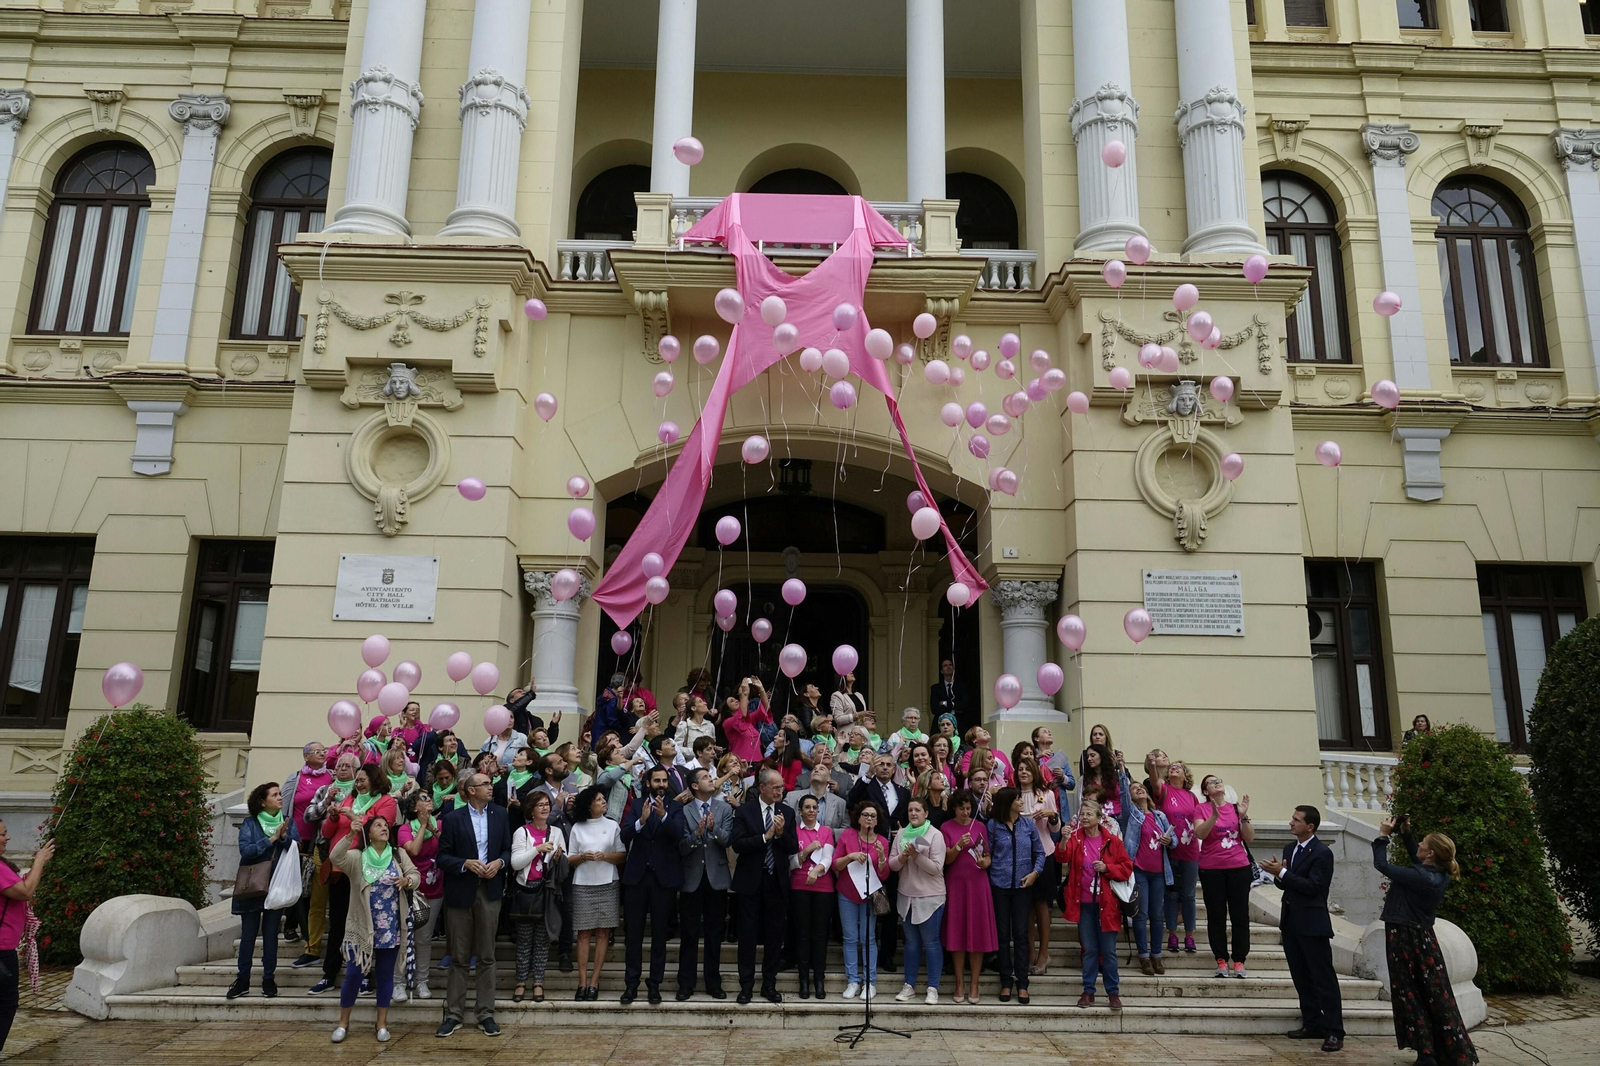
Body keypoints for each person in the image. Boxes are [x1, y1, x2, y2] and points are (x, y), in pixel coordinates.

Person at [1372, 817, 1476, 1066]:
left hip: (1404, 938)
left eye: (1423, 843)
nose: (1419, 843)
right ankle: (1447, 1051)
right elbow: (1418, 863)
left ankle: (1426, 1054)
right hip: (1423, 938)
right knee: (1434, 994)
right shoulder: (1437, 873)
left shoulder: (1420, 876)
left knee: (1410, 993)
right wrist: (1407, 834)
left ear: (1430, 853)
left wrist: (1383, 835)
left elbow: (1382, 865)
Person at [328, 811, 419, 1043]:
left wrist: (407, 881)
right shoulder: (358, 857)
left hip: (390, 927)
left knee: (386, 976)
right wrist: (350, 833)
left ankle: (381, 1024)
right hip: (361, 928)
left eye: (386, 825)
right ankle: (343, 1023)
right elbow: (335, 858)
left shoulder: (398, 854)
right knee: (353, 975)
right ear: (369, 832)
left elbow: (415, 875)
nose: (384, 828)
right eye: (378, 825)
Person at [433, 770, 512, 1037]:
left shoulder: (500, 814)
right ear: (470, 790)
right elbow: (442, 857)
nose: (491, 787)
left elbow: (507, 850)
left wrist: (499, 863)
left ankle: (485, 1013)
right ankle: (454, 1014)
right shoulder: (453, 818)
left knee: (487, 955)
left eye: (490, 783)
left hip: (489, 890)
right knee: (459, 956)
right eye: (485, 784)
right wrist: (464, 863)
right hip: (461, 891)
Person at [1262, 804, 1344, 1053]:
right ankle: (1312, 1023)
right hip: (1291, 922)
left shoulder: (1322, 853)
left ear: (1310, 826)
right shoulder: (1290, 848)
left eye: (1296, 820)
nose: (1291, 823)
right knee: (1301, 976)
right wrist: (1278, 876)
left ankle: (1334, 1031)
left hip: (1313, 923)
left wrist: (1283, 873)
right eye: (1292, 818)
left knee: (1323, 979)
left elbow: (1314, 887)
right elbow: (1287, 885)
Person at [310, 763, 397, 996]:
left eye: (362, 779)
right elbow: (328, 833)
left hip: (367, 869)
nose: (357, 783)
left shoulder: (386, 801)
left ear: (375, 780)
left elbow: (380, 829)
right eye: (356, 780)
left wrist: (353, 815)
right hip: (340, 867)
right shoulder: (348, 797)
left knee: (367, 923)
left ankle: (365, 974)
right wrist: (334, 817)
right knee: (338, 923)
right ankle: (329, 974)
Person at [619, 765, 687, 1005]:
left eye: (664, 781)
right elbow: (624, 835)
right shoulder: (638, 805)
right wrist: (641, 821)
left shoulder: (676, 806)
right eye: (656, 780)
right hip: (637, 877)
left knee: (659, 935)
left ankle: (654, 984)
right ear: (648, 783)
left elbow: (679, 834)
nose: (661, 784)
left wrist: (663, 817)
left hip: (663, 879)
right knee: (633, 935)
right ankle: (631, 983)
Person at [731, 768, 799, 1004]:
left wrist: (780, 835)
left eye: (782, 787)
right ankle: (746, 986)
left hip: (776, 882)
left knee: (773, 936)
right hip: (750, 881)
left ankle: (769, 984)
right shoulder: (745, 812)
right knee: (748, 936)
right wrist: (765, 837)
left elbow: (793, 847)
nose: (781, 791)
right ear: (762, 788)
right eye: (776, 787)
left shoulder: (787, 813)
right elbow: (737, 844)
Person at [1057, 799, 1133, 1010]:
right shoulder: (1076, 838)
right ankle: (1088, 990)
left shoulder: (1112, 841)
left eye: (1089, 814)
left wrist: (1107, 867)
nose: (1084, 817)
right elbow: (1061, 856)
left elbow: (1127, 868)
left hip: (1107, 905)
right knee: (1089, 949)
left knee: (1108, 951)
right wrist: (1063, 840)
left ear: (1100, 818)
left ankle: (1113, 992)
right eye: (1082, 814)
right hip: (1084, 904)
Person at [229, 782, 297, 1000]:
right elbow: (246, 851)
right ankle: (243, 979)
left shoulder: (288, 822)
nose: (280, 798)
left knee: (271, 935)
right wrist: (272, 839)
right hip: (252, 885)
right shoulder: (250, 823)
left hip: (276, 885)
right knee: (248, 936)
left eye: (280, 794)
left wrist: (285, 837)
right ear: (262, 801)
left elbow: (298, 846)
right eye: (274, 795)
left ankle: (269, 978)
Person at [677, 766, 733, 1001]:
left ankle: (713, 982)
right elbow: (679, 846)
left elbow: (728, 839)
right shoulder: (683, 811)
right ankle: (686, 983)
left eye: (711, 777)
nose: (712, 780)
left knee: (714, 933)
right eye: (705, 777)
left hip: (716, 879)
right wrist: (696, 835)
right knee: (689, 933)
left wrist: (713, 829)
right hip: (691, 878)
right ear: (694, 786)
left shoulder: (724, 808)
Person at [986, 786, 1045, 1004]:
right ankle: (1005, 981)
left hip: (1023, 886)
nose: (1021, 802)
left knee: (1021, 934)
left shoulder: (1028, 824)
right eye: (1018, 799)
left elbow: (1039, 852)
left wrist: (1035, 873)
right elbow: (987, 853)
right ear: (1007, 802)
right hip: (999, 886)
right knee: (1002, 935)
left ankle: (1022, 983)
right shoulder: (992, 826)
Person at [1194, 772, 1255, 978]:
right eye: (1211, 782)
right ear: (1205, 791)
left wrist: (1244, 815)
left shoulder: (1236, 809)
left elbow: (1249, 837)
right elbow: (1200, 834)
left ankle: (1239, 960)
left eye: (1219, 781)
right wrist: (1213, 816)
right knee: (1216, 915)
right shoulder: (1201, 809)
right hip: (1212, 869)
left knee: (1240, 915)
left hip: (1238, 866)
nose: (1217, 783)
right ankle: (1221, 959)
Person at [566, 784, 625, 1000]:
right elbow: (570, 858)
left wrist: (604, 856)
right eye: (599, 799)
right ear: (589, 805)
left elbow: (622, 855)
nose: (603, 802)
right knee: (583, 933)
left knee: (602, 933)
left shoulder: (612, 825)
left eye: (603, 799)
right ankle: (581, 981)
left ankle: (594, 981)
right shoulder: (577, 827)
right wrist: (583, 857)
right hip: (583, 883)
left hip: (608, 881)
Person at [508, 790, 566, 1004]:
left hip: (547, 890)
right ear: (531, 810)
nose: (545, 808)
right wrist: (537, 849)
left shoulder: (556, 832)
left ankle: (538, 982)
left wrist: (560, 858)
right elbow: (515, 863)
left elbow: (563, 861)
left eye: (547, 804)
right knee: (524, 940)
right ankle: (520, 982)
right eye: (540, 805)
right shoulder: (522, 832)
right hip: (526, 890)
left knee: (542, 940)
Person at [889, 796, 947, 1004]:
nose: (913, 814)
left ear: (926, 813)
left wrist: (916, 856)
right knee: (912, 943)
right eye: (910, 810)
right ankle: (909, 985)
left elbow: (936, 868)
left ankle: (933, 987)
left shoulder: (935, 835)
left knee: (931, 943)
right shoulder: (902, 834)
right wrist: (904, 857)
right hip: (907, 895)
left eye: (917, 810)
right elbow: (892, 865)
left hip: (930, 896)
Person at [940, 789, 995, 1004]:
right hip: (956, 884)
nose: (966, 812)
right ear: (954, 807)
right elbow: (947, 859)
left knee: (977, 934)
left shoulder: (979, 826)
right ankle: (959, 983)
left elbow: (987, 855)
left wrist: (985, 863)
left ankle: (974, 983)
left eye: (969, 808)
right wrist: (957, 846)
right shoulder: (946, 827)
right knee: (957, 933)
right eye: (962, 808)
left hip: (978, 883)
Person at [0, 822, 51, 1054]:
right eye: (2, 834)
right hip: (1, 952)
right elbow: (25, 891)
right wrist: (39, 861)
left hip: (5, 948)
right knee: (5, 1004)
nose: (7, 837)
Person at [1118, 770, 1174, 975]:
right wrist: (1122, 771)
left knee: (1157, 916)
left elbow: (1173, 840)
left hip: (1159, 872)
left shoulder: (1160, 816)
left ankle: (1157, 955)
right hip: (1140, 871)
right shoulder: (1132, 815)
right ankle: (1143, 956)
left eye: (1141, 787)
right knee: (1141, 915)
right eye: (1134, 789)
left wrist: (1170, 841)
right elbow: (1123, 794)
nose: (1139, 789)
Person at [833, 799, 890, 1001]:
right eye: (865, 815)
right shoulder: (848, 835)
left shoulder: (882, 841)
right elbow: (836, 865)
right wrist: (851, 856)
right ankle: (853, 980)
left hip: (869, 895)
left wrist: (882, 858)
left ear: (877, 821)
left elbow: (884, 875)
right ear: (858, 818)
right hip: (847, 893)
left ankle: (870, 982)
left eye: (872, 816)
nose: (869, 819)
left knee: (868, 938)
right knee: (850, 937)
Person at [283, 741, 331, 964]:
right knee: (297, 883)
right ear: (306, 756)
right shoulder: (296, 777)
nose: (323, 754)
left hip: (319, 840)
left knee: (311, 886)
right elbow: (285, 806)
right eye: (317, 751)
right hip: (297, 837)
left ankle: (307, 932)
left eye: (324, 751)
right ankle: (293, 925)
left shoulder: (331, 778)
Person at [1147, 751, 1200, 955]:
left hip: (1190, 851)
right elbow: (1153, 780)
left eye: (1179, 767)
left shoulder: (1192, 796)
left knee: (1188, 895)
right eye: (1171, 767)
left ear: (1186, 775)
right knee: (1171, 895)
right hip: (1169, 851)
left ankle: (1189, 935)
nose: (1174, 768)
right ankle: (1172, 935)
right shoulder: (1164, 790)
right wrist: (1153, 765)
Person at [1015, 758, 1061, 977]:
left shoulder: (1046, 794)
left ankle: (1044, 953)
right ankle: (1030, 953)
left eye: (1027, 769)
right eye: (1020, 769)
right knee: (1026, 907)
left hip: (1044, 852)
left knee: (1042, 905)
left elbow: (1055, 828)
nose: (1023, 772)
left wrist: (1051, 815)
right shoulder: (1012, 795)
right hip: (1020, 857)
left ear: (1034, 772)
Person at [789, 793, 836, 999]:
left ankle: (819, 979)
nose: (811, 810)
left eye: (814, 807)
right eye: (807, 807)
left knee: (819, 935)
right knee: (802, 934)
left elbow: (828, 858)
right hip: (799, 886)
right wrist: (806, 851)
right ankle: (803, 980)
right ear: (800, 811)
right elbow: (790, 862)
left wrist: (816, 872)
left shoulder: (825, 832)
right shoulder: (793, 832)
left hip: (822, 887)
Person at [396, 790, 442, 999]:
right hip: (411, 891)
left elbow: (448, 847)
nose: (429, 799)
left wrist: (432, 827)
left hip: (436, 890)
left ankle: (422, 982)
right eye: (423, 798)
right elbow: (413, 850)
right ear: (414, 807)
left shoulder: (440, 825)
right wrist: (423, 826)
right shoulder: (405, 829)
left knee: (424, 939)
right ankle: (399, 982)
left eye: (429, 797)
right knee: (405, 937)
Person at [723, 679, 771, 766]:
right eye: (731, 701)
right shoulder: (727, 723)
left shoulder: (749, 720)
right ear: (727, 710)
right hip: (741, 763)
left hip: (758, 763)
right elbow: (742, 715)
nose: (736, 701)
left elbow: (765, 709)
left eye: (736, 699)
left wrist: (761, 690)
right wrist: (744, 694)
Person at [787, 762, 847, 830]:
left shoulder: (840, 803)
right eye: (814, 769)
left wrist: (833, 831)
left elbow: (846, 828)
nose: (816, 770)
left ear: (829, 778)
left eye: (821, 769)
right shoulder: (791, 797)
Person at [928, 659, 964, 723]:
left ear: (953, 669)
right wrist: (954, 706)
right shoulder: (936, 688)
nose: (948, 667)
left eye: (950, 665)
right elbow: (934, 709)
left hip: (959, 722)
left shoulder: (962, 686)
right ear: (942, 671)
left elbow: (964, 705)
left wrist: (945, 703)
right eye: (945, 665)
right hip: (941, 722)